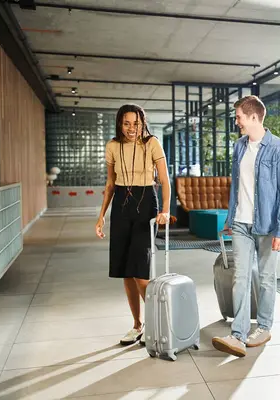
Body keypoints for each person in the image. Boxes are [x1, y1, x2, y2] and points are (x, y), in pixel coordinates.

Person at [211, 95, 280, 358]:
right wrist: (230, 218)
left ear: (254, 117)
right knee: (240, 278)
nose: (237, 122)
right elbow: (236, 186)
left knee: (267, 278)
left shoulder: (278, 149)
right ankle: (238, 334)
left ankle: (264, 327)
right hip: (241, 224)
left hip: (267, 226)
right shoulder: (239, 147)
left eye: (239, 117)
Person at [95, 104, 171, 346]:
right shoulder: (112, 146)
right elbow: (110, 184)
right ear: (120, 123)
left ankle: (160, 322)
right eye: (126, 123)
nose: (131, 128)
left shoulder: (152, 144)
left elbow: (165, 180)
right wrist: (101, 216)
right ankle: (138, 326)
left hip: (146, 203)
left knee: (140, 271)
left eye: (136, 123)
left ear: (142, 123)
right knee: (125, 272)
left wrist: (166, 211)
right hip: (121, 206)